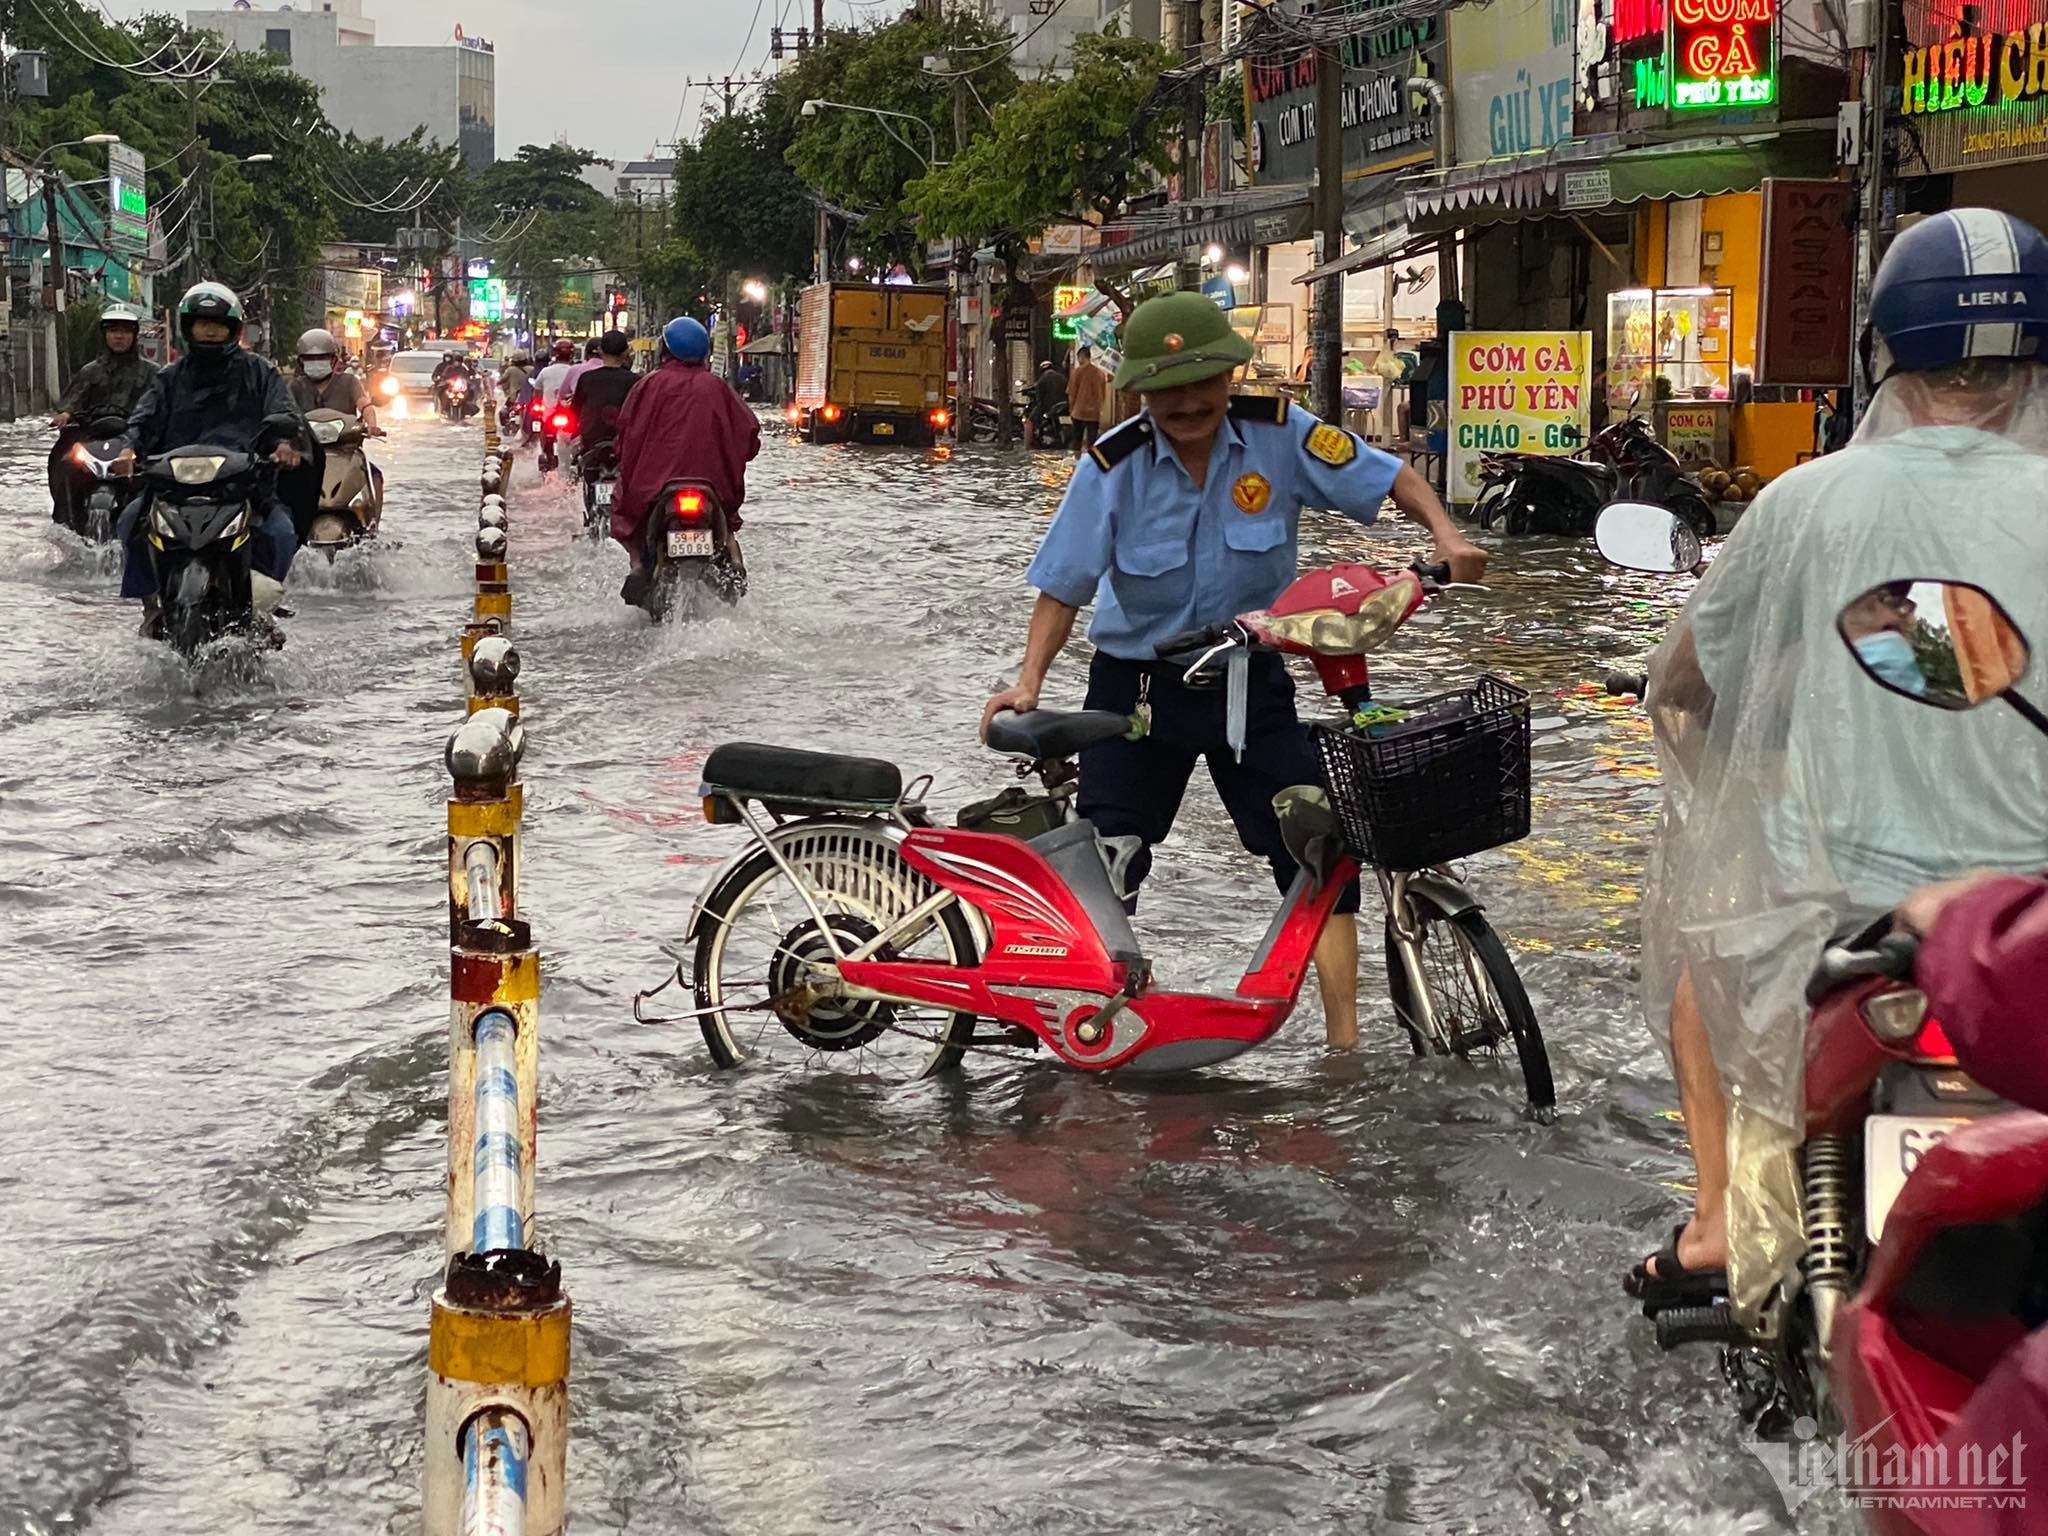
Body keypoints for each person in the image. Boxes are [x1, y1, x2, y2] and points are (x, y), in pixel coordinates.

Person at [1624, 209, 2048, 1315]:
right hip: (2027, 939)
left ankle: (1720, 1229)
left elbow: (1684, 689)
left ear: (1884, 354)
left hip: (1844, 928)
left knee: (1696, 963)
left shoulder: (1804, 503)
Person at [980, 290, 1488, 1049]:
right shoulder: (1110, 467)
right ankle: (1091, 1023)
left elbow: (1387, 478)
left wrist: (1449, 535)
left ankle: (1342, 1048)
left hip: (1253, 680)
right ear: (1139, 392)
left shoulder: (1281, 436)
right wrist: (1029, 682)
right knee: (1111, 855)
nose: (1188, 402)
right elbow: (1064, 586)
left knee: (1318, 846)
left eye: (1204, 382)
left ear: (1230, 378)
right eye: (1168, 388)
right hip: (1137, 689)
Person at [113, 281, 306, 635]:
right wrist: (128, 449)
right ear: (189, 327)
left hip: (241, 484)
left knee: (280, 533)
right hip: (174, 487)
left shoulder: (259, 372)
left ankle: (263, 606)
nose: (210, 330)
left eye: (217, 323)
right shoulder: (169, 378)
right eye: (202, 322)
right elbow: (143, 418)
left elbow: (284, 413)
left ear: (233, 329)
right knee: (129, 523)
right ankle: (151, 607)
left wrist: (282, 444)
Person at [611, 315, 760, 605]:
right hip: (712, 485)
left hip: (654, 485)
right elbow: (749, 436)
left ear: (665, 349)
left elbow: (627, 436)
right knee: (727, 527)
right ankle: (735, 561)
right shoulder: (717, 387)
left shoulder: (648, 385)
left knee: (627, 511)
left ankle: (638, 565)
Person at [49, 303, 156, 523]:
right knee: (65, 465)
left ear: (134, 335)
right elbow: (73, 400)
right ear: (105, 334)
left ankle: (151, 522)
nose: (119, 336)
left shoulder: (151, 372)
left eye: (125, 331)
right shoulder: (90, 371)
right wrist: (65, 415)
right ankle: (66, 523)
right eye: (113, 331)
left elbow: (161, 406)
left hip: (134, 439)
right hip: (92, 438)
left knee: (156, 472)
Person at [288, 328, 379, 434]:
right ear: (301, 361)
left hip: (346, 445)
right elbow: (282, 413)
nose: (316, 362)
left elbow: (364, 404)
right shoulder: (295, 386)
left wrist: (372, 425)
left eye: (322, 358)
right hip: (306, 446)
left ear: (333, 360)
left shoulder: (349, 382)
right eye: (310, 358)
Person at [568, 330, 637, 460]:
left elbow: (575, 410)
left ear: (600, 351)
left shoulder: (587, 378)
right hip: (624, 444)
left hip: (590, 443)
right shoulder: (636, 381)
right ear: (626, 353)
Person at [1066, 344, 1108, 454]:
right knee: (1092, 442)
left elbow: (1071, 393)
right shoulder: (1100, 373)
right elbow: (1103, 393)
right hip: (1094, 413)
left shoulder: (1076, 372)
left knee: (1077, 440)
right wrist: (1100, 408)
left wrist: (1071, 410)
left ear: (1081, 357)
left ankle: (1078, 463)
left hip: (1078, 411)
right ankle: (1091, 464)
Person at [1024, 357, 1068, 448]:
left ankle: (1027, 445)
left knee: (1028, 422)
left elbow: (1039, 399)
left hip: (1048, 407)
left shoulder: (1042, 380)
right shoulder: (1062, 378)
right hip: (1064, 405)